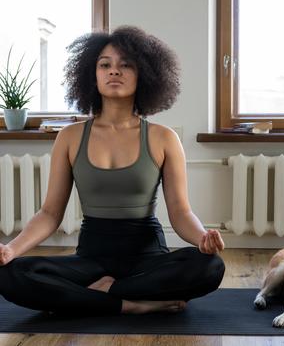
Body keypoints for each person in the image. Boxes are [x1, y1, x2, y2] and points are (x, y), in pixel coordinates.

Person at [0, 26, 225, 315]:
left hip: (147, 258)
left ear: (143, 73)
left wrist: (201, 240)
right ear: (92, 76)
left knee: (210, 266)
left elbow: (180, 212)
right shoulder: (69, 137)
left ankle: (99, 296)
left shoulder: (163, 137)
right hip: (91, 260)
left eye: (125, 65)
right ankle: (129, 304)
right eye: (105, 64)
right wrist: (12, 249)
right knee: (9, 273)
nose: (114, 71)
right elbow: (50, 214)